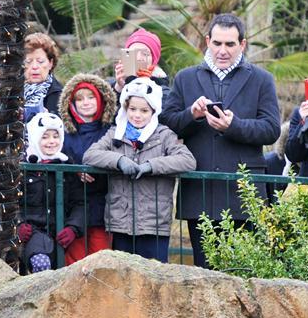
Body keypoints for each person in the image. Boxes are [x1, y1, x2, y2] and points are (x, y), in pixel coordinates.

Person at [161, 13, 280, 268]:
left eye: (230, 44)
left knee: (243, 272)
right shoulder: (185, 78)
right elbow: (168, 123)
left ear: (242, 45)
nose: (222, 50)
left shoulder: (262, 79)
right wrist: (191, 115)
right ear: (207, 41)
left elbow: (271, 130)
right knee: (204, 274)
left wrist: (233, 126)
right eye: (217, 43)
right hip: (200, 192)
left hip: (243, 194)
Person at [84, 77, 196, 262]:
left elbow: (187, 160)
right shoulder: (115, 133)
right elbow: (91, 154)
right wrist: (119, 161)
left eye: (144, 111)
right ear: (125, 108)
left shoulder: (164, 135)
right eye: (132, 109)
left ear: (153, 111)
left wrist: (152, 166)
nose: (137, 115)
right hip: (121, 221)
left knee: (155, 277)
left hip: (154, 223)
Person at [58, 73, 119, 264]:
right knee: (73, 262)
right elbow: (57, 158)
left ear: (100, 99)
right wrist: (75, 170)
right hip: (73, 208)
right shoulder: (64, 133)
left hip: (103, 207)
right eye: (79, 99)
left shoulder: (110, 130)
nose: (85, 103)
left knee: (102, 260)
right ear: (71, 103)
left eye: (91, 97)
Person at [17, 112, 85, 273]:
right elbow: (10, 201)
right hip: (33, 231)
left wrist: (73, 228)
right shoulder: (24, 166)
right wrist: (17, 225)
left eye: (56, 136)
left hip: (59, 234)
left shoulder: (67, 165)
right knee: (41, 263)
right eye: (45, 137)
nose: (51, 141)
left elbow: (80, 202)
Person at [112, 28, 170, 97]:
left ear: (153, 60)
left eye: (145, 54)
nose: (139, 58)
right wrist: (118, 88)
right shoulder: (117, 83)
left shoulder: (163, 88)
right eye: (133, 53)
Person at [23, 33, 63, 122]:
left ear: (50, 63)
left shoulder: (62, 96)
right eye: (28, 61)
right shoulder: (11, 93)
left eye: (40, 61)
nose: (34, 66)